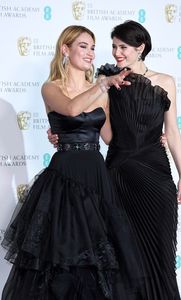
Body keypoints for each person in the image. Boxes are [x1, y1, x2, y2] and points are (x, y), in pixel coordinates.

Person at [1, 25, 144, 300]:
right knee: (61, 260)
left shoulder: (101, 91)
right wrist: (102, 84)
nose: (90, 52)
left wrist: (149, 132)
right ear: (65, 50)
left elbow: (111, 137)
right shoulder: (51, 88)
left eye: (92, 47)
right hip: (64, 177)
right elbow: (70, 109)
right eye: (83, 46)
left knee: (97, 260)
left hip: (96, 176)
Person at [48, 21, 181, 299]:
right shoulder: (106, 80)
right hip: (117, 176)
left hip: (155, 175)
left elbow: (172, 130)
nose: (116, 53)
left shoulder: (166, 82)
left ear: (141, 49)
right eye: (113, 46)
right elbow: (103, 130)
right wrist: (61, 131)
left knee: (160, 251)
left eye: (122, 47)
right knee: (121, 256)